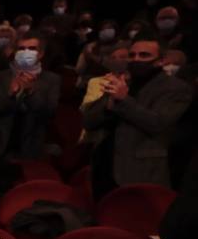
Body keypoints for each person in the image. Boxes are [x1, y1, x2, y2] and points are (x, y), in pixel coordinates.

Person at [82, 35, 193, 192]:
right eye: (132, 55)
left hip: (139, 171)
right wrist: (108, 106)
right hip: (103, 166)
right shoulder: (123, 81)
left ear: (160, 61)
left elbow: (157, 123)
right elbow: (88, 121)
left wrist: (123, 100)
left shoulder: (176, 88)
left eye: (144, 55)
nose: (136, 60)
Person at [0, 31, 61, 161]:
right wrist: (10, 95)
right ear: (15, 52)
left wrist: (30, 92)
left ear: (41, 53)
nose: (26, 52)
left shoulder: (51, 80)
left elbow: (49, 114)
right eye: (21, 48)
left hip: (31, 148)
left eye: (32, 49)